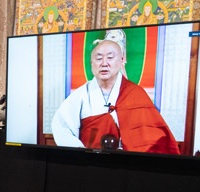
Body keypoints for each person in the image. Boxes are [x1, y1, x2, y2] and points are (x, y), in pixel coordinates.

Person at [51, 38, 180, 153]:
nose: (104, 63)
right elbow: (61, 127)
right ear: (91, 63)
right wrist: (82, 153)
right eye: (99, 58)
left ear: (122, 60)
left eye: (110, 57)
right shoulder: (81, 95)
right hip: (90, 163)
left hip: (126, 165)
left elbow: (154, 137)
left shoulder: (136, 94)